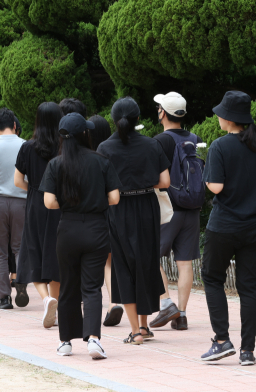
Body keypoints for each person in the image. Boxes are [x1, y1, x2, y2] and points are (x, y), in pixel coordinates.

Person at [200, 91, 256, 366]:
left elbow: (216, 187)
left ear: (229, 118)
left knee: (212, 278)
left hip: (224, 226)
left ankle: (222, 340)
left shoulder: (220, 147)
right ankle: (247, 350)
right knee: (249, 286)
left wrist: (207, 178)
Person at [41, 112, 122, 360]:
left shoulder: (56, 164)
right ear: (84, 135)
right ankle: (94, 340)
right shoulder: (101, 161)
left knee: (68, 286)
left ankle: (65, 341)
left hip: (68, 229)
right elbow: (115, 198)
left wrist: (69, 203)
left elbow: (49, 203)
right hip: (96, 228)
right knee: (92, 287)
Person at [97, 97, 171, 345]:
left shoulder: (105, 148)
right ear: (139, 119)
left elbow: (101, 187)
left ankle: (136, 331)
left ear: (114, 120)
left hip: (118, 209)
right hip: (147, 207)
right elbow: (165, 182)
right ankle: (143, 325)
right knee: (146, 263)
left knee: (123, 267)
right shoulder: (152, 145)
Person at [150, 92, 204, 331]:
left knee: (152, 257)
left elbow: (155, 177)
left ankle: (166, 304)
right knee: (184, 263)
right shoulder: (195, 138)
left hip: (167, 208)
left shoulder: (160, 140)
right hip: (192, 208)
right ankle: (181, 315)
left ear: (163, 112)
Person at [15, 102, 63, 328]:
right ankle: (59, 306)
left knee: (33, 251)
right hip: (60, 204)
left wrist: (35, 190)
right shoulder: (65, 145)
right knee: (56, 254)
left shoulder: (27, 147)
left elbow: (17, 181)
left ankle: (46, 299)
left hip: (35, 203)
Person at [0, 108, 27, 309]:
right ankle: (22, 285)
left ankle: (3, 297)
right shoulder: (26, 146)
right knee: (20, 248)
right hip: (22, 201)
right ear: (15, 125)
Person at [88, 115, 122, 327]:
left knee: (102, 262)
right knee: (111, 260)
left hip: (97, 214)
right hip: (118, 209)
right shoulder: (112, 151)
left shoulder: (91, 156)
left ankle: (109, 301)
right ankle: (115, 300)